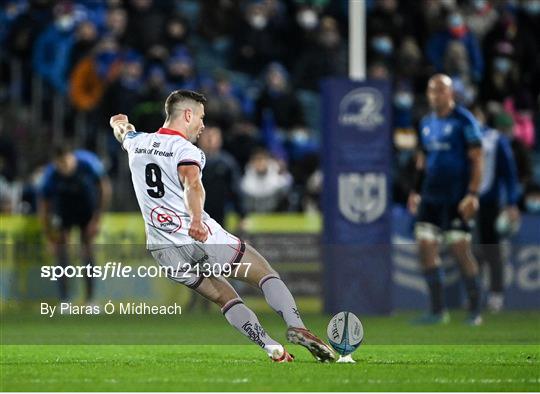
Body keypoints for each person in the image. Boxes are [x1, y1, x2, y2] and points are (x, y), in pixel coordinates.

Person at [109, 89, 335, 363]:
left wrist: (119, 124)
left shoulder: (138, 142)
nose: (203, 125)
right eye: (201, 118)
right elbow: (193, 184)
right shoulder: (186, 150)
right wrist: (194, 220)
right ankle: (297, 326)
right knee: (263, 272)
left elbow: (124, 134)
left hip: (163, 249)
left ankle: (272, 348)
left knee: (225, 298)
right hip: (200, 237)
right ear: (188, 114)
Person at [408, 74, 484, 326]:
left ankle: (475, 310)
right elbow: (422, 161)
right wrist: (415, 191)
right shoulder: (426, 122)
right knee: (425, 248)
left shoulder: (464, 120)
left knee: (459, 250)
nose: (435, 95)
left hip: (456, 197)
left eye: (440, 90)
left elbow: (477, 158)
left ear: (451, 93)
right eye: (431, 90)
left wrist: (472, 194)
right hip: (430, 196)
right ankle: (438, 311)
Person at [38, 146, 111, 304]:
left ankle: (90, 300)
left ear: (71, 157)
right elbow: (43, 204)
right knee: (62, 252)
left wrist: (97, 219)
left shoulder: (88, 162)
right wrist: (48, 235)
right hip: (64, 211)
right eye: (59, 165)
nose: (63, 168)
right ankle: (65, 300)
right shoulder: (51, 173)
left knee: (87, 251)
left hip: (86, 210)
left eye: (65, 163)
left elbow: (104, 188)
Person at [475, 107, 520, 312]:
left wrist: (511, 203)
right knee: (467, 250)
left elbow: (510, 174)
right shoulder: (458, 137)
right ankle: (474, 294)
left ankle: (495, 295)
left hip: (488, 203)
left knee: (491, 251)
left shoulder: (495, 139)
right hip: (463, 202)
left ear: (483, 117)